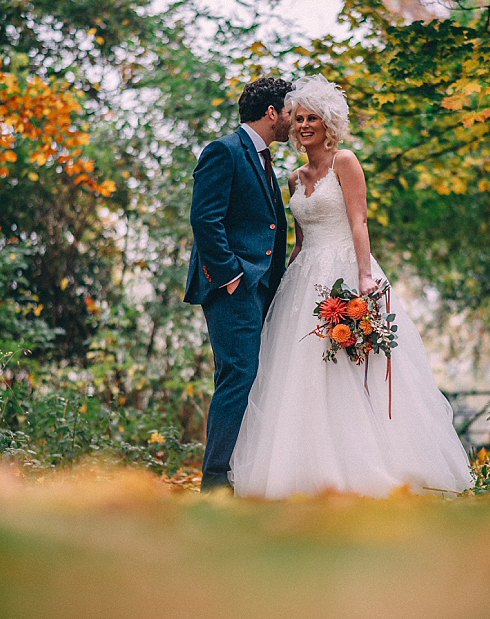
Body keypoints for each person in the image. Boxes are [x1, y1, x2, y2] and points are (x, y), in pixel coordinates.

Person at [228, 75, 474, 499]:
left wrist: (364, 276)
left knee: (354, 369)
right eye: (299, 117)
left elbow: (359, 221)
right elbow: (299, 240)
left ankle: (371, 465)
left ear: (329, 123)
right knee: (300, 374)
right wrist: (282, 283)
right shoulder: (292, 177)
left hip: (344, 268)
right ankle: (304, 470)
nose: (304, 125)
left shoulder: (346, 161)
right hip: (303, 279)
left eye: (313, 118)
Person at [184, 77, 294, 492]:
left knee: (249, 375)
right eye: (288, 112)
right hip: (233, 285)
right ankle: (215, 479)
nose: (291, 120)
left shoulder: (264, 159)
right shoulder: (224, 151)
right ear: (271, 112)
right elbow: (204, 219)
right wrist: (230, 276)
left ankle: (241, 471)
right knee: (238, 373)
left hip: (261, 288)